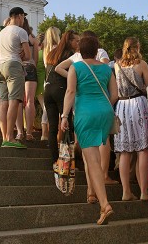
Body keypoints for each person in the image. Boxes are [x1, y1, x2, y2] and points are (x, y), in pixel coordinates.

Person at [60, 35, 119, 225]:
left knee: (91, 159)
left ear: (79, 51)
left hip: (85, 113)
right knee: (96, 152)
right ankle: (91, 192)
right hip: (105, 111)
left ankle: (105, 204)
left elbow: (70, 92)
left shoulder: (76, 67)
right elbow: (115, 94)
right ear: (97, 50)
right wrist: (104, 107)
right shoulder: (106, 69)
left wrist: (64, 116)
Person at [114, 37, 148, 201]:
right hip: (138, 104)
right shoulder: (142, 64)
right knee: (142, 149)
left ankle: (125, 192)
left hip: (121, 107)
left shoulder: (117, 65)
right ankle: (144, 191)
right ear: (137, 47)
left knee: (124, 152)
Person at [0, 7, 30, 148]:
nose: (23, 20)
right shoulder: (21, 32)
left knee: (3, 102)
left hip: (1, 67)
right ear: (19, 16)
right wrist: (22, 54)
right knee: (14, 101)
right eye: (23, 17)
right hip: (14, 66)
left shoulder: (2, 32)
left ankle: (4, 137)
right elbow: (28, 55)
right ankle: (10, 138)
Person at [44, 30, 80, 166]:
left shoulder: (52, 53)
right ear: (69, 41)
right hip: (61, 90)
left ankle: (54, 160)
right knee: (67, 125)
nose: (78, 43)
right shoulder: (71, 55)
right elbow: (67, 72)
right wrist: (74, 81)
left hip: (48, 89)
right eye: (76, 40)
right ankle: (68, 162)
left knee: (53, 127)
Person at [17, 19, 39, 141]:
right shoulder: (32, 38)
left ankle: (20, 132)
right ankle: (29, 132)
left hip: (17, 67)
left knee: (18, 101)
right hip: (30, 67)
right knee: (30, 101)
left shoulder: (15, 35)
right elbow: (35, 57)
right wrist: (32, 64)